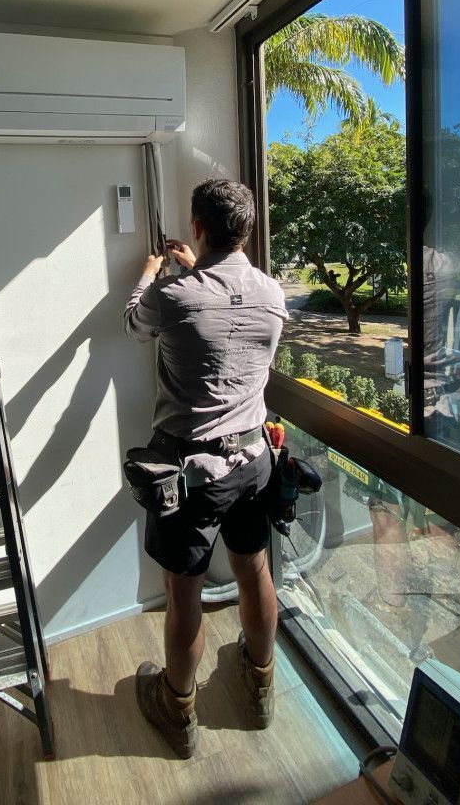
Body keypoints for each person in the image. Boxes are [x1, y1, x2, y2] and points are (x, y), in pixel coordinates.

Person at [124, 178, 288, 757]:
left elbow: (134, 322)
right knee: (254, 570)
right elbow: (231, 312)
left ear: (197, 226)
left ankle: (178, 711)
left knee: (184, 592)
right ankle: (262, 684)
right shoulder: (273, 293)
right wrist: (200, 270)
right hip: (254, 461)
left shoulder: (174, 294)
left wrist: (152, 272)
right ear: (247, 230)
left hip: (190, 473)